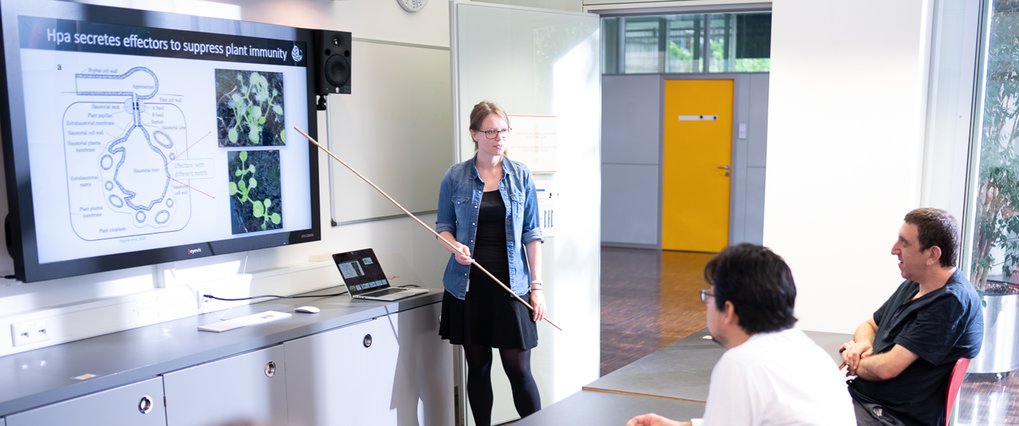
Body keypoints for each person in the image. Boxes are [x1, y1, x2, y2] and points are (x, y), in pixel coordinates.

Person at [627, 243, 856, 426]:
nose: (706, 305)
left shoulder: (742, 364)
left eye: (710, 296)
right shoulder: (808, 351)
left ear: (728, 310)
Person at [435, 100, 545, 425]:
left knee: (519, 369)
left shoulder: (521, 175)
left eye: (504, 130)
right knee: (478, 367)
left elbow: (532, 233)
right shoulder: (455, 177)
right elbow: (442, 229)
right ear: (475, 134)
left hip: (513, 286)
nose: (499, 137)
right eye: (492, 131)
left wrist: (537, 287)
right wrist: (455, 247)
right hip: (469, 287)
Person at [841, 208, 983, 426]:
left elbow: (886, 369)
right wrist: (861, 345)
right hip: (865, 400)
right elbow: (869, 324)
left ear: (932, 255)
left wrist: (853, 361)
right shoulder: (916, 283)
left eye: (904, 243)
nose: (893, 250)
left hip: (889, 416)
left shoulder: (950, 302)